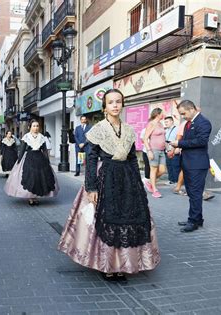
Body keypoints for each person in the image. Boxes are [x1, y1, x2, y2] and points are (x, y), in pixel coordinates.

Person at [58, 89, 160, 281]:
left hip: (127, 179)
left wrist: (137, 184)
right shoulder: (98, 129)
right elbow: (91, 157)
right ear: (104, 107)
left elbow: (131, 158)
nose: (115, 105)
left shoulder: (129, 130)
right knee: (108, 221)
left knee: (127, 220)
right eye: (111, 102)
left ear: (122, 104)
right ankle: (108, 266)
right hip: (105, 177)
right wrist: (91, 187)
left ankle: (121, 264)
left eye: (118, 102)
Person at [170, 100, 212, 232]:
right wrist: (177, 144)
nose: (183, 116)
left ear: (191, 109)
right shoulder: (190, 123)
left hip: (197, 165)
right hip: (189, 163)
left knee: (195, 194)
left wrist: (179, 143)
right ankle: (196, 219)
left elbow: (201, 141)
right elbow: (189, 141)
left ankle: (193, 221)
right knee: (193, 193)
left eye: (183, 113)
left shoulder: (203, 122)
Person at [4, 119, 58, 206]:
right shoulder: (26, 136)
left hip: (40, 159)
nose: (36, 128)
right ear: (30, 127)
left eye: (37, 126)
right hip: (29, 158)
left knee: (39, 178)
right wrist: (18, 160)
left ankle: (36, 197)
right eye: (34, 126)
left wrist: (47, 161)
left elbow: (44, 150)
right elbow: (22, 149)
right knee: (30, 177)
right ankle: (31, 198)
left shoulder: (42, 137)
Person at [143, 108, 166, 198]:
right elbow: (145, 139)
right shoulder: (151, 124)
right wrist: (149, 151)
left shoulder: (160, 124)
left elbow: (163, 138)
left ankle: (149, 182)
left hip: (162, 150)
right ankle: (155, 190)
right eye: (162, 113)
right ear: (157, 114)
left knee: (162, 170)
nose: (163, 115)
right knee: (154, 170)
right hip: (154, 150)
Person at [164, 116, 180, 184]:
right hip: (167, 150)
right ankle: (171, 180)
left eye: (167, 122)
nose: (165, 123)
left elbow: (179, 139)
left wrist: (178, 149)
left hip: (175, 150)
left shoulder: (177, 129)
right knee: (169, 166)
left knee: (175, 166)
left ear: (172, 121)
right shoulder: (166, 130)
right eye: (165, 122)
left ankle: (176, 181)